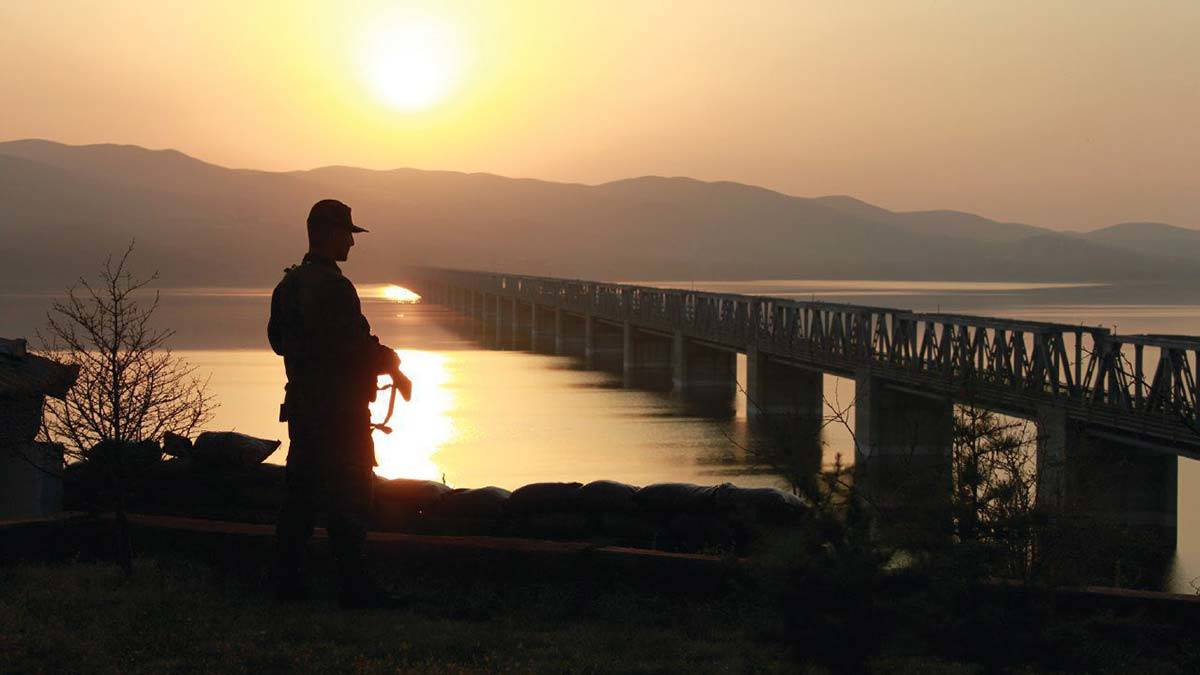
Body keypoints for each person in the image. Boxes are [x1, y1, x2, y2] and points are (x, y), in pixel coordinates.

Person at [267, 198, 405, 608]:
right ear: (326, 233)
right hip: (342, 415)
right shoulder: (336, 288)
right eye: (348, 233)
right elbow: (355, 347)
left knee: (300, 501)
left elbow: (278, 343)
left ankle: (287, 585)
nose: (352, 243)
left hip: (306, 411)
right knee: (350, 500)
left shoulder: (288, 286)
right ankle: (354, 589)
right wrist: (390, 360)